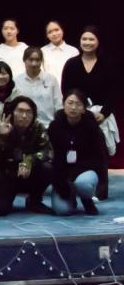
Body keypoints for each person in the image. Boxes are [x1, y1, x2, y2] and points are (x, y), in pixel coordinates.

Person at [60, 26, 117, 199]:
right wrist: (77, 111)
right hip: (76, 114)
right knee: (74, 151)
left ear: (98, 41)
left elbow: (115, 91)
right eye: (84, 39)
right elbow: (66, 90)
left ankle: (101, 190)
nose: (87, 42)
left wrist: (104, 113)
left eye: (91, 39)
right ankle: (71, 188)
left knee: (100, 153)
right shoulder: (71, 64)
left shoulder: (108, 63)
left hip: (101, 116)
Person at [0, 96, 54, 216]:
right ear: (12, 112)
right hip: (9, 175)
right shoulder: (2, 127)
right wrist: (1, 137)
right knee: (0, 209)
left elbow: (48, 152)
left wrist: (29, 159)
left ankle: (34, 200)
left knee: (48, 168)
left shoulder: (38, 127)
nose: (24, 116)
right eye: (20, 111)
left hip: (30, 173)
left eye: (29, 112)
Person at [50, 90, 105, 216]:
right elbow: (55, 157)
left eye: (78, 104)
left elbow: (98, 158)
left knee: (83, 184)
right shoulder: (54, 126)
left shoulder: (92, 128)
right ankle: (70, 196)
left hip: (85, 170)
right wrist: (62, 180)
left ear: (84, 109)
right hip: (62, 173)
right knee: (62, 211)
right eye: (70, 103)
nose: (73, 107)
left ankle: (86, 199)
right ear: (63, 104)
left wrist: (74, 174)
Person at [15, 46, 63, 127]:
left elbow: (59, 105)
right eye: (31, 60)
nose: (34, 64)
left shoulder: (51, 79)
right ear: (24, 60)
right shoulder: (17, 81)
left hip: (48, 126)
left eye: (37, 60)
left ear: (41, 61)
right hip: (24, 127)